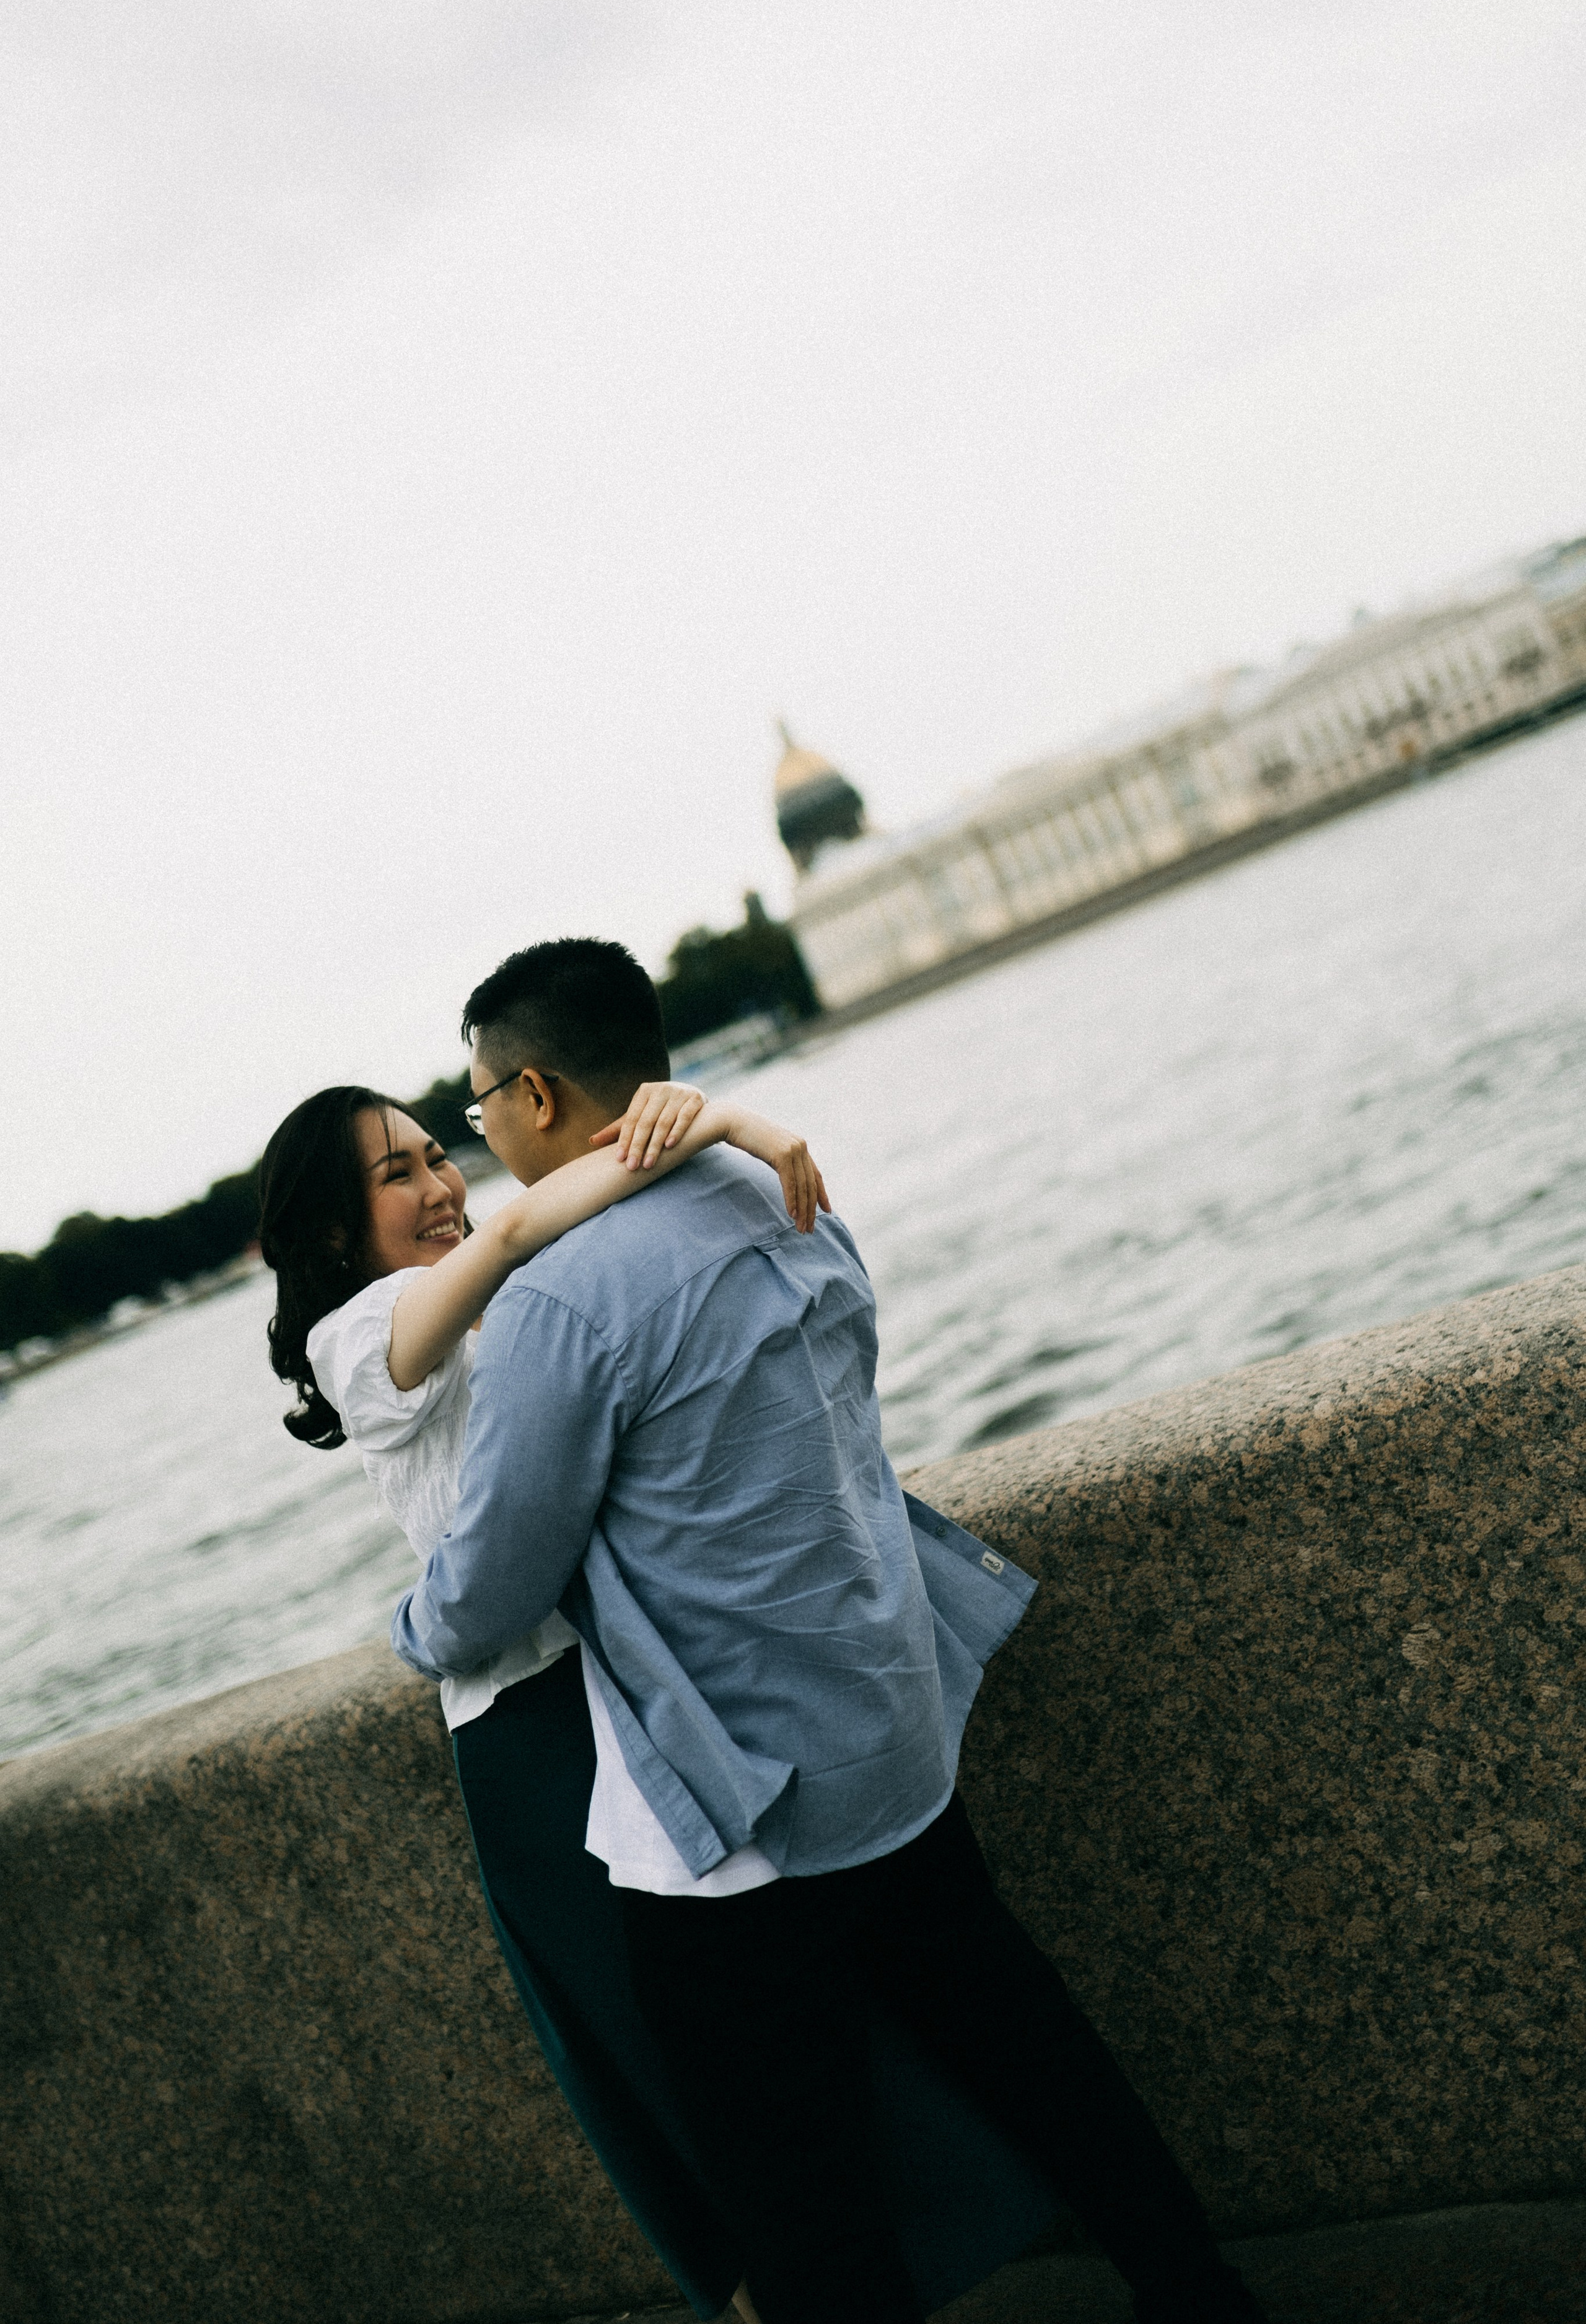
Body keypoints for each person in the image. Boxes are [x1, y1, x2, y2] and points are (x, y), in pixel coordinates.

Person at [393, 937, 1271, 2324]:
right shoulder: (769, 1186)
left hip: (743, 1822)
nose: (478, 1131)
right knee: (1039, 2062)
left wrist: (410, 1621)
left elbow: (490, 1589)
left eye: (481, 1100)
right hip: (887, 1731)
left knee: (803, 2207)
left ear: (543, 1092)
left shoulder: (557, 1298)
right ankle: (1199, 2294)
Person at [260, 1065, 1056, 2322]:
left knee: (779, 2050)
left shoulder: (497, 1297)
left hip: (627, 1687)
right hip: (532, 1738)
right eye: (395, 1170)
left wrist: (701, 1126)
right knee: (674, 2069)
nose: (439, 1185)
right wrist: (737, 1120)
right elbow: (530, 1218)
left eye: (434, 1154)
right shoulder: (359, 1334)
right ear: (322, 1230)